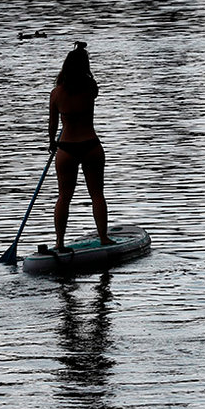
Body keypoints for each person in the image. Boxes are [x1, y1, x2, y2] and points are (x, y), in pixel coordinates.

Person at [49, 41, 115, 251]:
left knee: (63, 197)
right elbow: (91, 88)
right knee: (97, 194)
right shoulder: (90, 87)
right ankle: (103, 237)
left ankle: (59, 242)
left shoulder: (56, 93)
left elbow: (52, 124)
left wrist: (52, 143)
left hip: (66, 147)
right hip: (90, 146)